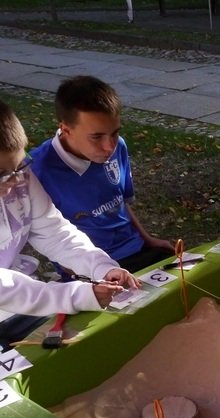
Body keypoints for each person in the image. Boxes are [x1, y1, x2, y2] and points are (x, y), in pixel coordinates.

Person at [0, 100, 139, 349]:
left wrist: (101, 268)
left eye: (20, 166)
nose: (15, 180)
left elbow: (55, 232)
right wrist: (78, 295)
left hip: (19, 306)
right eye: (2, 173)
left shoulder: (18, 176)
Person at [30, 75, 174, 275]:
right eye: (96, 137)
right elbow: (50, 237)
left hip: (137, 250)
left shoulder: (118, 147)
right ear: (66, 129)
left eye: (114, 133)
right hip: (90, 267)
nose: (109, 146)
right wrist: (80, 278)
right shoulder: (36, 171)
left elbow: (119, 201)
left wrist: (149, 239)